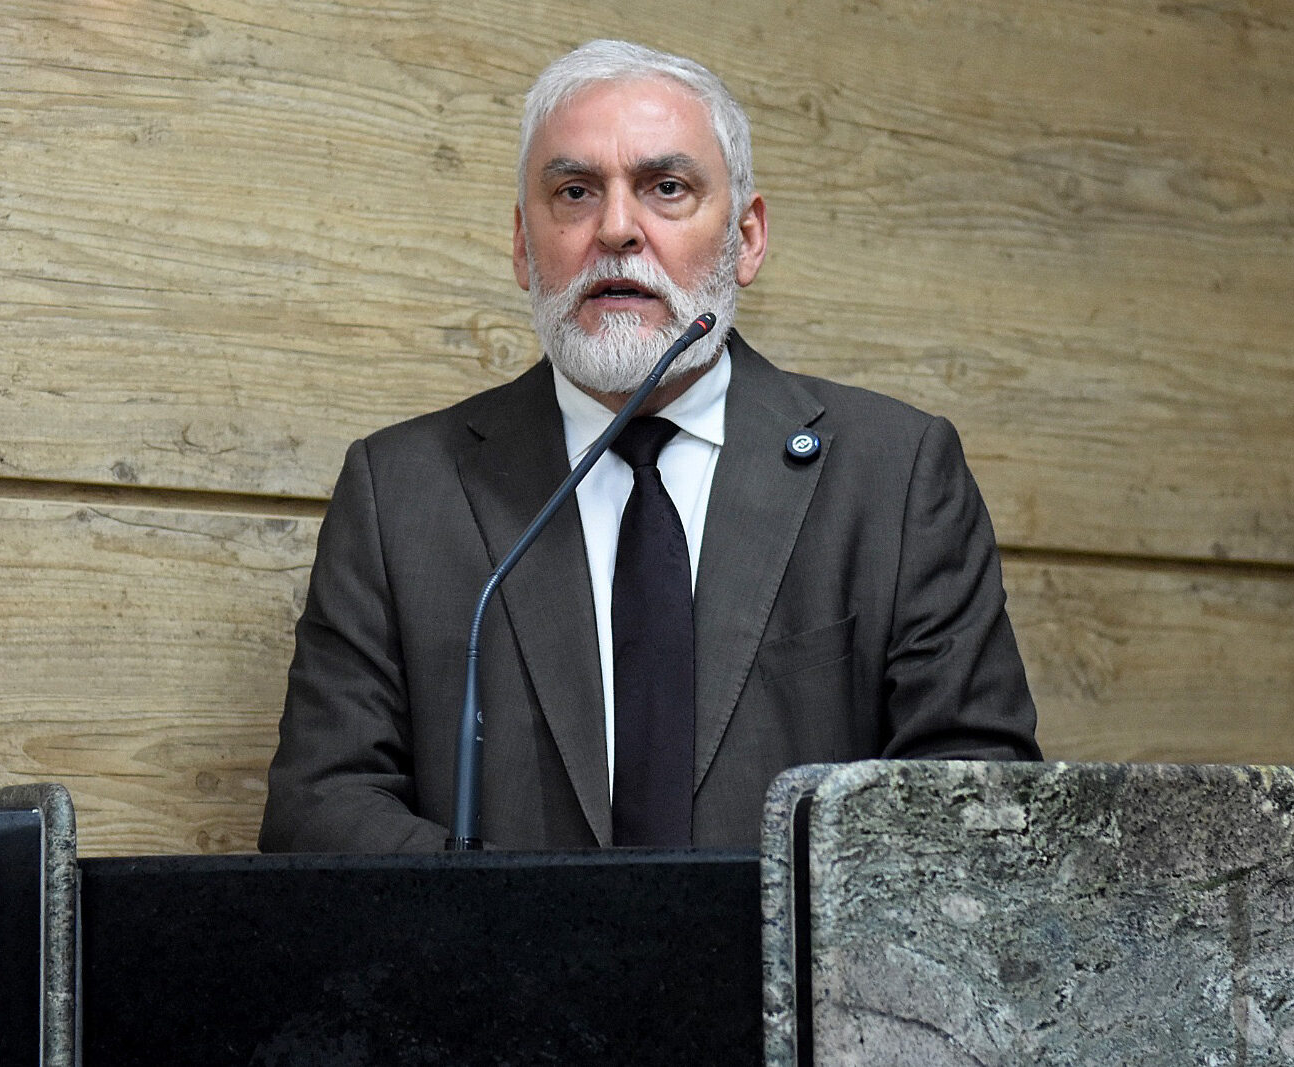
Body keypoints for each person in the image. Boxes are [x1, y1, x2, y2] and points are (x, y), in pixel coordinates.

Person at [259, 39, 1039, 854]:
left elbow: (981, 803)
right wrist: (520, 913)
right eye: (574, 192)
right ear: (523, 244)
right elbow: (321, 808)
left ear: (746, 238)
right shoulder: (400, 492)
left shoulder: (895, 476)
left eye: (666, 188)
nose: (617, 230)